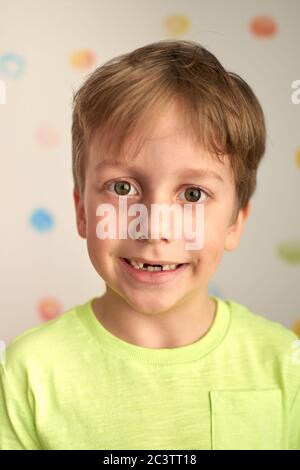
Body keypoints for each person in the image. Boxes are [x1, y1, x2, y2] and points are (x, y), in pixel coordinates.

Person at [1, 39, 299, 450]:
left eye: (192, 194)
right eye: (122, 187)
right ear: (82, 213)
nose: (155, 227)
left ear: (235, 222)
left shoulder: (285, 363)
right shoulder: (25, 371)